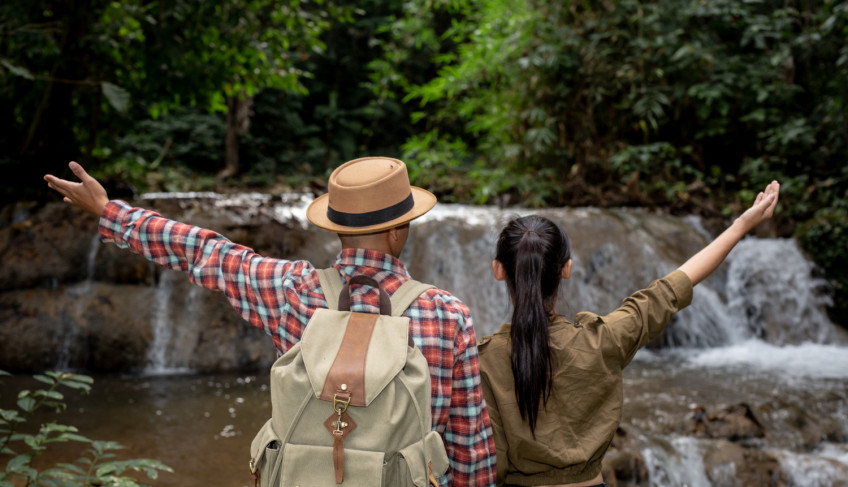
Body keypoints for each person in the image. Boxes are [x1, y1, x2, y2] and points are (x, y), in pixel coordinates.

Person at [44, 157, 497, 487]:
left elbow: (206, 252)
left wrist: (109, 210)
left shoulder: (293, 291)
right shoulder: (446, 312)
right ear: (400, 229)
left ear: (334, 227)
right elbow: (469, 446)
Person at [477, 181, 780, 487]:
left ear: (498, 270)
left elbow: (490, 458)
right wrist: (740, 226)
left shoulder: (483, 360)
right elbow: (673, 287)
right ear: (566, 269)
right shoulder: (604, 340)